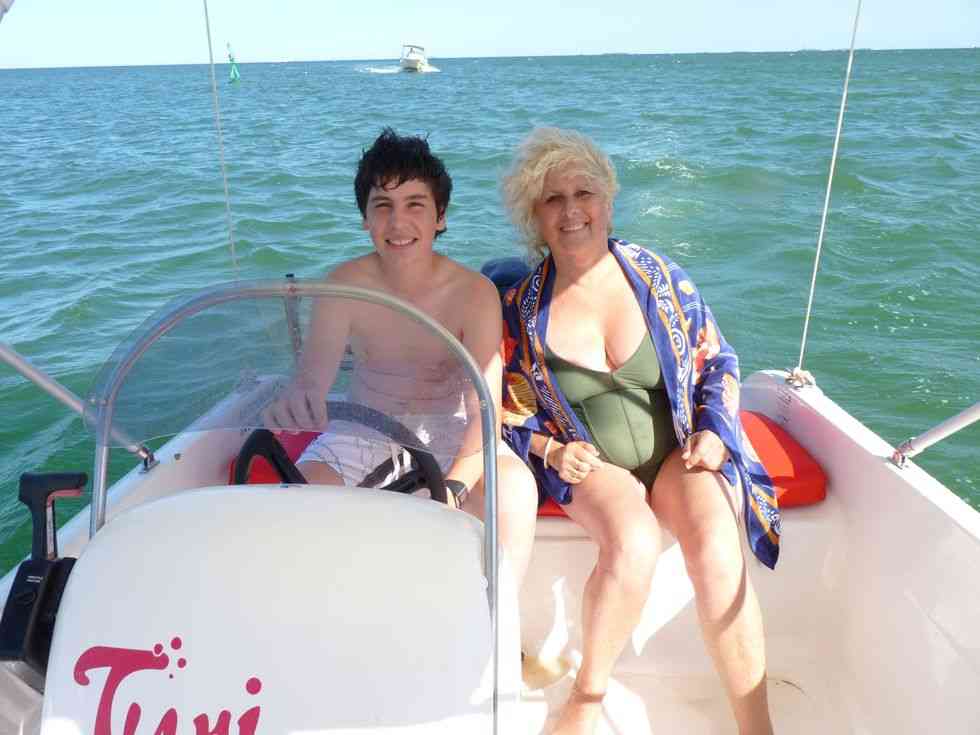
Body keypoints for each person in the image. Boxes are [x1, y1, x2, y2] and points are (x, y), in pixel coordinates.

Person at [499, 127, 780, 735]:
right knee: (632, 542)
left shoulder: (658, 277)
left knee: (717, 543)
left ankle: (757, 726)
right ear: (533, 217)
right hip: (594, 467)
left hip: (680, 451)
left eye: (584, 193)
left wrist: (714, 430)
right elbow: (505, 407)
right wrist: (551, 449)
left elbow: (717, 360)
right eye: (552, 199)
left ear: (608, 200)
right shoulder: (520, 309)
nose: (571, 211)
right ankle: (587, 699)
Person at [264, 128, 538, 587]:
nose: (398, 223)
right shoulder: (342, 286)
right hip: (362, 430)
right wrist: (295, 403)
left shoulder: (474, 293)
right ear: (365, 219)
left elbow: (484, 415)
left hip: (454, 434)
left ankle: (496, 619)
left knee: (514, 493)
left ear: (440, 217)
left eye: (415, 205)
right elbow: (311, 383)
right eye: (382, 206)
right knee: (295, 515)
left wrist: (452, 488)